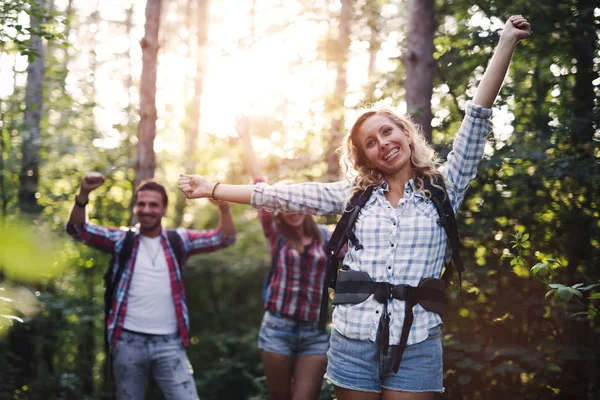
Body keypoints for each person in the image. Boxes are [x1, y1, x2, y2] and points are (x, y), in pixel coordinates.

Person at [178, 16, 530, 400]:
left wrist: (506, 41)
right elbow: (282, 195)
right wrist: (213, 187)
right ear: (366, 157)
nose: (383, 143)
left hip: (418, 342)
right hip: (353, 338)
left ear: (406, 133)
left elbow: (477, 117)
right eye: (370, 142)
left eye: (387, 131)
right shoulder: (354, 196)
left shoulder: (445, 187)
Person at [66, 173, 236, 400]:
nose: (146, 209)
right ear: (135, 207)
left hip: (169, 344)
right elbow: (78, 230)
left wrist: (224, 208)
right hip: (127, 342)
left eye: (153, 205)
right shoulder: (122, 240)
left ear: (164, 209)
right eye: (141, 204)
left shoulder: (179, 240)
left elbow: (224, 239)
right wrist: (83, 194)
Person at [236, 117, 331, 400]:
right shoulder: (275, 234)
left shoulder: (327, 237)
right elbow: (259, 186)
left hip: (316, 332)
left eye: (296, 202)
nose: (292, 209)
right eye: (285, 204)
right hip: (278, 328)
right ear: (278, 210)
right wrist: (246, 138)